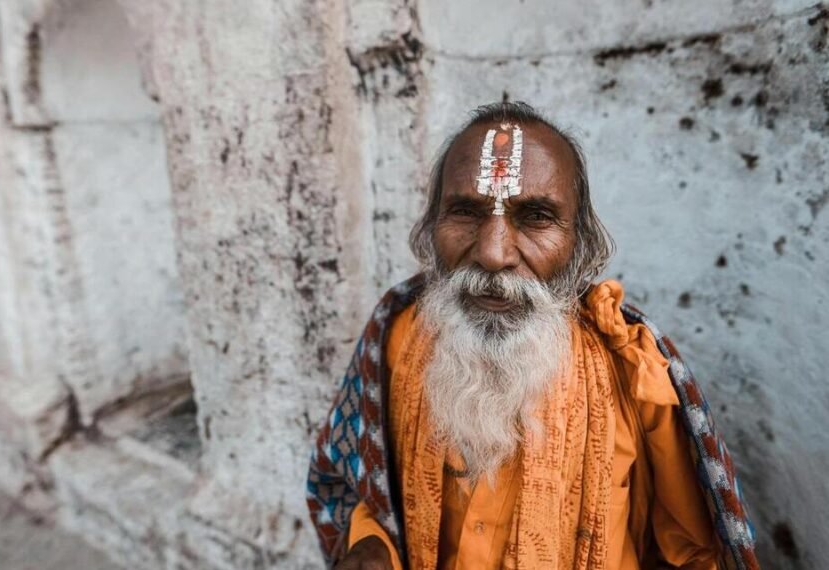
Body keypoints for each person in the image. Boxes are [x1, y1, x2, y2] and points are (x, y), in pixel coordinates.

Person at [307, 102, 758, 570]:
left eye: (536, 217)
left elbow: (697, 554)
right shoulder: (396, 340)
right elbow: (358, 484)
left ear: (581, 244)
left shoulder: (635, 372)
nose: (494, 253)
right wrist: (371, 543)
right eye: (465, 211)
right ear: (431, 227)